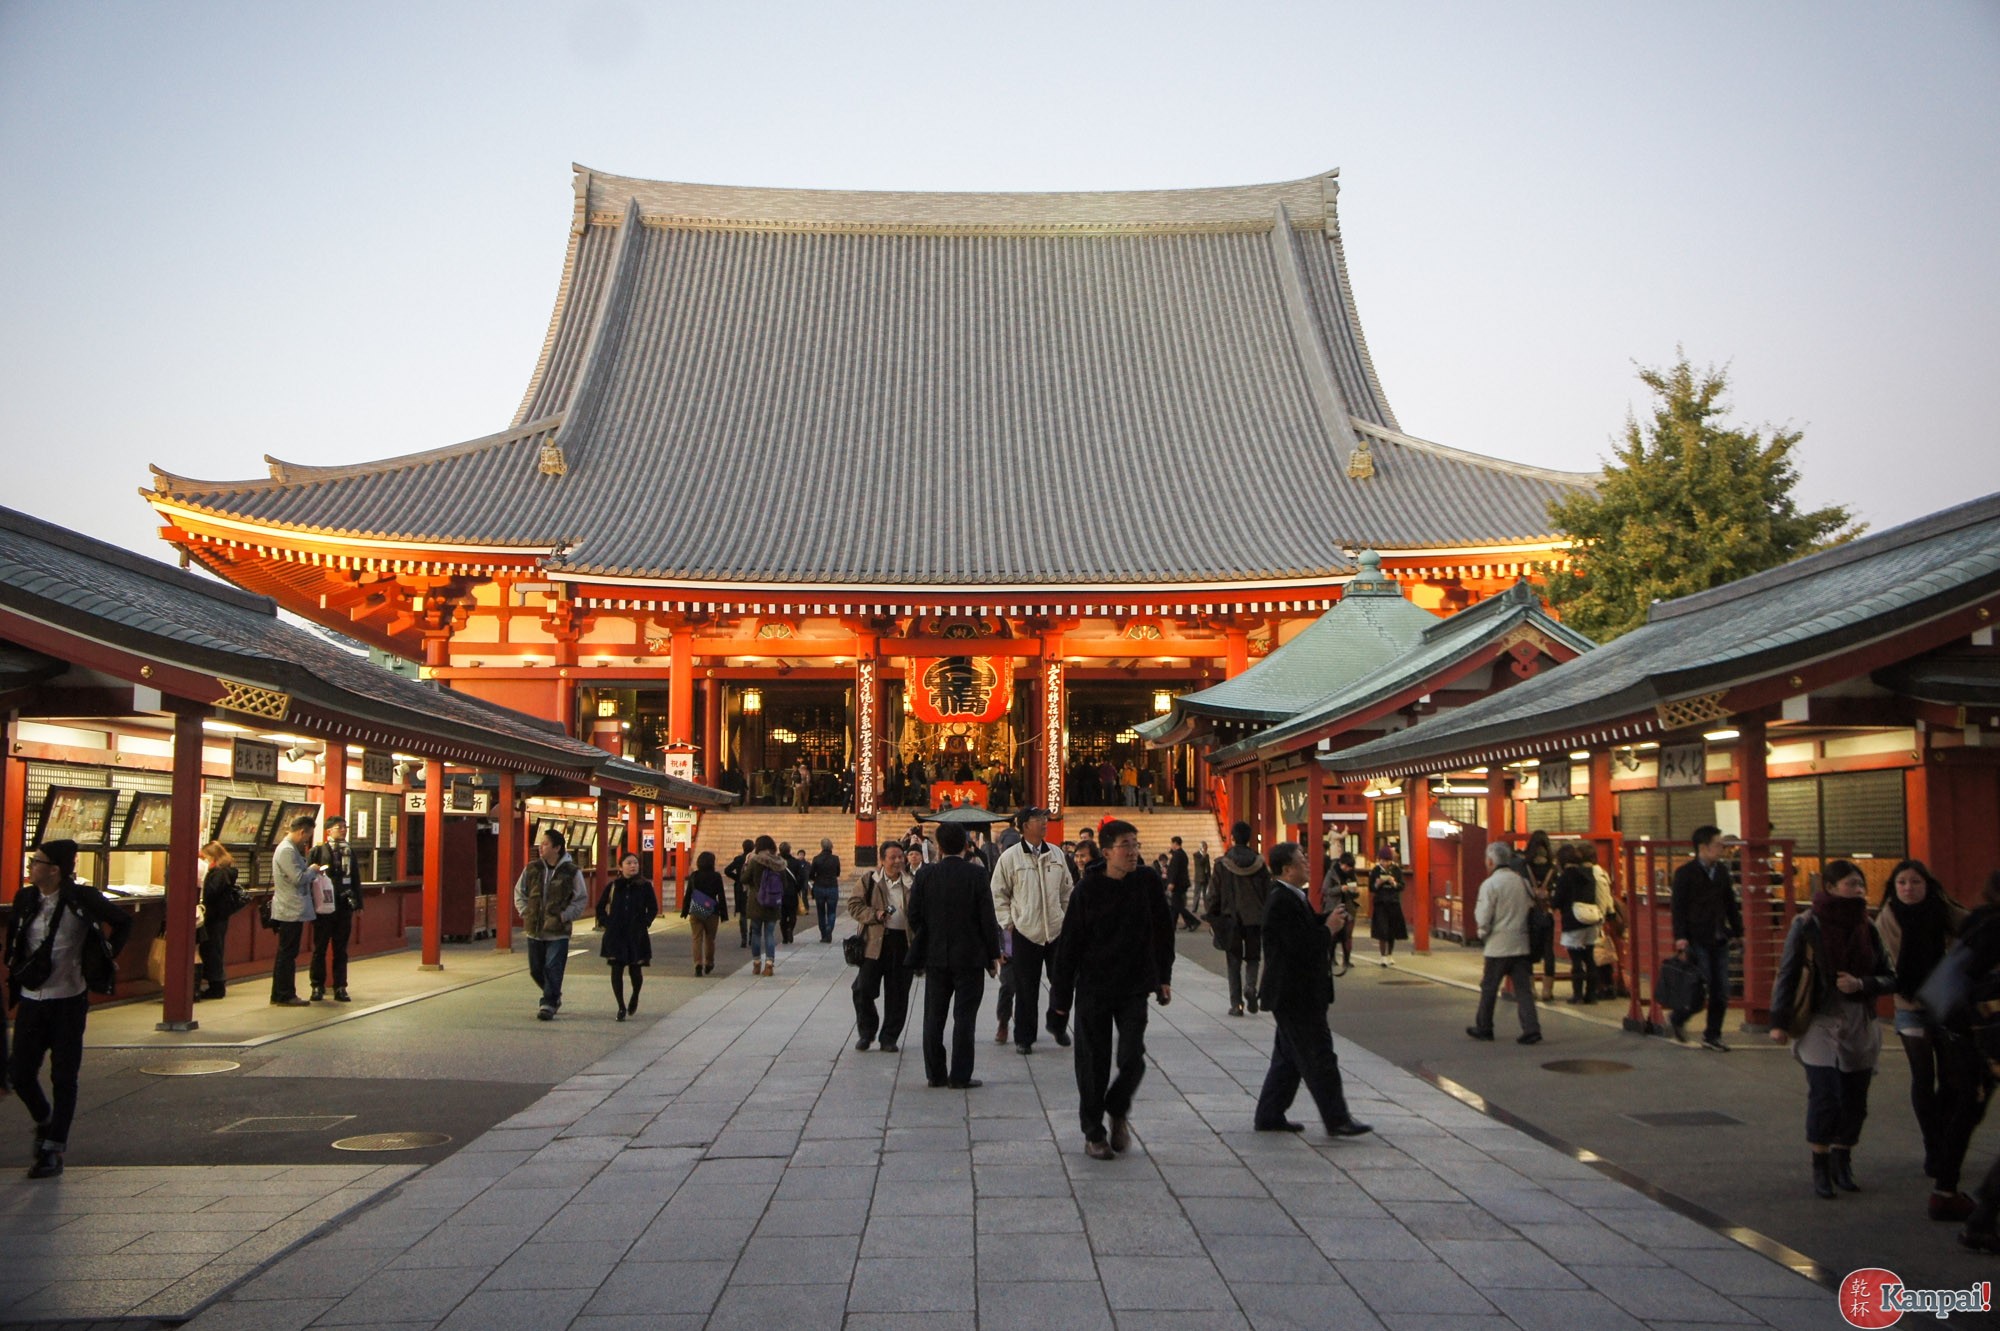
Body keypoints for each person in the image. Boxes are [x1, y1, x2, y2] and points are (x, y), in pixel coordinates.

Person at [1770, 859, 1897, 1199]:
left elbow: (1890, 975)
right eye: (1849, 884)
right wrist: (1779, 1021)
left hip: (1859, 1020)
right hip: (1819, 1020)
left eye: (1860, 884)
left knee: (1856, 1098)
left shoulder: (1867, 927)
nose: (1857, 890)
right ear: (1829, 887)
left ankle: (1844, 1158)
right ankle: (1820, 1164)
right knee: (1826, 1094)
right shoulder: (1807, 923)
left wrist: (1863, 983)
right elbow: (1788, 972)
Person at [6, 840, 132, 1178]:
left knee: (64, 1076)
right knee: (19, 1074)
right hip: (33, 1000)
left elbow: (123, 922)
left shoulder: (82, 898)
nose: (31, 867)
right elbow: (15, 943)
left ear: (55, 870)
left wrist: (107, 956)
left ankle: (53, 1148)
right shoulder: (26, 899)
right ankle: (44, 1120)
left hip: (69, 999)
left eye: (37, 862)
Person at [1049, 819, 1174, 1160]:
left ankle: (1117, 1108)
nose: (1133, 852)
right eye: (1125, 845)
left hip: (1134, 985)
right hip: (1094, 987)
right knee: (1093, 1063)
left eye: (1135, 844)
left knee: (1133, 1058)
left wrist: (1164, 976)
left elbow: (1163, 931)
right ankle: (1094, 1132)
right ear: (1106, 852)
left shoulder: (1147, 881)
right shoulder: (1088, 890)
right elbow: (1069, 947)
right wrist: (1059, 1002)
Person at [1875, 858, 1981, 1220]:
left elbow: (1973, 931)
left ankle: (1943, 1137)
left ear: (1927, 884)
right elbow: (1882, 960)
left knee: (1952, 1078)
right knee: (1922, 1075)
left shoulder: (1942, 909)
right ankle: (1934, 1147)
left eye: (1915, 882)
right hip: (1908, 1003)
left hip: (1945, 1001)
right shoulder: (1886, 916)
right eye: (1902, 882)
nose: (1909, 888)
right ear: (1895, 887)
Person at [1253, 842, 1372, 1138]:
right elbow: (1300, 946)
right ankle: (1337, 1118)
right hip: (1296, 994)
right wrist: (1328, 929)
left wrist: (1326, 919)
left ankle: (1269, 1114)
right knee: (1319, 1056)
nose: (1307, 863)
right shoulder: (1281, 900)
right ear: (1286, 869)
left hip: (1294, 993)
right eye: (1302, 859)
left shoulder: (1293, 896)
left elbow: (1303, 930)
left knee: (1288, 1059)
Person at [907, 821, 1003, 1088]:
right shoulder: (977, 875)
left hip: (936, 956)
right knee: (964, 1017)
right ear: (965, 845)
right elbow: (987, 918)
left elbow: (913, 915)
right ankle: (960, 1075)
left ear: (938, 846)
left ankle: (935, 1074)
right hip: (970, 957)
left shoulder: (925, 875)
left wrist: (930, 935)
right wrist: (993, 955)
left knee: (933, 1017)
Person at [991, 808, 1074, 1055]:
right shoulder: (1010, 858)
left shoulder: (1057, 854)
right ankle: (1024, 1037)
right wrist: (1008, 923)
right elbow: (998, 894)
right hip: (1025, 931)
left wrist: (1067, 919)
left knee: (1062, 983)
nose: (1044, 823)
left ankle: (1057, 1025)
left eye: (1045, 819)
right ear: (1025, 825)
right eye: (1039, 819)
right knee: (1026, 988)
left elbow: (1067, 891)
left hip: (1056, 931)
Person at [1668, 825, 1744, 1050]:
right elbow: (1677, 908)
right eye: (1718, 844)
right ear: (1703, 847)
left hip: (1719, 938)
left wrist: (1739, 932)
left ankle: (1712, 1035)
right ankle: (1679, 1017)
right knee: (1700, 986)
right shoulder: (1685, 873)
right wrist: (1680, 936)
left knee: (1721, 990)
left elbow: (1730, 904)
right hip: (1696, 939)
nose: (1721, 849)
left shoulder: (1721, 872)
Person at [1467, 841, 1542, 1045]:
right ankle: (1531, 1028)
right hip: (1521, 942)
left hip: (1498, 944)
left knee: (1489, 986)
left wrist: (1482, 933)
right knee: (1523, 989)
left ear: (1490, 861)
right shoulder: (1522, 882)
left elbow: (1483, 916)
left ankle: (1484, 1027)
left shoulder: (1490, 884)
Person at [849, 841, 916, 1051]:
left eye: (900, 857)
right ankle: (867, 1031)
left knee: (898, 993)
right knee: (862, 989)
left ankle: (889, 1037)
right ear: (882, 860)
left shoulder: (913, 882)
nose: (898, 861)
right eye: (892, 857)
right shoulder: (870, 880)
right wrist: (874, 915)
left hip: (903, 943)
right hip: (875, 942)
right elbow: (854, 905)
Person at [514, 827, 586, 1020]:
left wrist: (565, 916)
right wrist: (525, 912)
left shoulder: (572, 872)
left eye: (545, 844)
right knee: (536, 969)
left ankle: (548, 1003)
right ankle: (554, 995)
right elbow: (520, 893)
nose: (541, 847)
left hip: (558, 930)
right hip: (534, 929)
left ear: (557, 848)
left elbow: (580, 898)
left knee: (553, 966)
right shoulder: (532, 869)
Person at [1209, 821, 1270, 1016]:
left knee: (1233, 961)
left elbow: (1214, 894)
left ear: (1233, 838)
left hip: (1231, 918)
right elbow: (1268, 892)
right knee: (1253, 957)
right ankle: (1251, 987)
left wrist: (1213, 916)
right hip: (1255, 918)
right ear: (1250, 838)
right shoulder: (1259, 864)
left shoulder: (1222, 864)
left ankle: (1236, 1005)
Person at [597, 852, 657, 1020]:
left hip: (636, 934)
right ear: (620, 866)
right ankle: (621, 1006)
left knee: (635, 969)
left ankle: (635, 995)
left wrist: (645, 922)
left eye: (635, 863)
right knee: (616, 969)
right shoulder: (614, 886)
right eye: (629, 863)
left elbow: (652, 907)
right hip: (616, 934)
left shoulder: (645, 886)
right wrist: (606, 922)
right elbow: (600, 906)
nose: (633, 866)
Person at [307, 815, 360, 1003]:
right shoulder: (318, 851)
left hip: (343, 904)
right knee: (319, 948)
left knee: (341, 949)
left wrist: (358, 901)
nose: (344, 830)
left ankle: (340, 986)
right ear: (329, 830)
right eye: (340, 827)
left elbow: (355, 877)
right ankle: (317, 985)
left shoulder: (349, 851)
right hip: (323, 905)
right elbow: (309, 877)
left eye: (345, 827)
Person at [269, 814, 318, 1006]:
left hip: (292, 907)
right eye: (307, 836)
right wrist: (313, 870)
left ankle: (281, 993)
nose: (307, 840)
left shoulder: (289, 849)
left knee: (287, 953)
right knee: (287, 954)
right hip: (289, 909)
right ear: (301, 831)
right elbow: (298, 878)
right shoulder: (287, 851)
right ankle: (284, 993)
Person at [1551, 843, 1603, 1005]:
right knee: (1589, 958)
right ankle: (1592, 995)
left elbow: (1557, 901)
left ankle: (1578, 995)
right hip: (1590, 920)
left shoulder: (1566, 877)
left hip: (1573, 921)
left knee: (1576, 961)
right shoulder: (1588, 874)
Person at [196, 841, 243, 1000]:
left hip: (214, 916)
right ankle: (216, 984)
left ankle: (216, 986)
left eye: (207, 857)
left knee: (212, 950)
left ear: (213, 857)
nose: (205, 861)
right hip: (220, 916)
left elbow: (211, 892)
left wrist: (205, 877)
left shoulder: (219, 873)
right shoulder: (227, 871)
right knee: (215, 949)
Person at [740, 836, 788, 976]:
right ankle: (769, 964)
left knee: (756, 932)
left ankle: (756, 963)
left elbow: (744, 879)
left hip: (757, 901)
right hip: (773, 902)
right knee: (769, 933)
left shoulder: (755, 861)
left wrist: (745, 868)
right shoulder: (779, 863)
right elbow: (784, 884)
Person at [680, 849, 727, 975]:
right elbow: (721, 895)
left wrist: (684, 910)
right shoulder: (716, 876)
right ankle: (709, 962)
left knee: (696, 938)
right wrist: (724, 914)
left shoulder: (694, 875)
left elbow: (689, 893)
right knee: (710, 938)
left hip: (696, 909)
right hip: (712, 911)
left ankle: (698, 963)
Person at [1367, 846, 1408, 964]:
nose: (1384, 863)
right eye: (1382, 860)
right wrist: (1377, 883)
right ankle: (1383, 956)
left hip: (1393, 903)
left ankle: (1390, 954)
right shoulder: (1375, 870)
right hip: (1380, 903)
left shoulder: (1396, 870)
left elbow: (1402, 886)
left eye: (1387, 861)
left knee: (1392, 931)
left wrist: (1394, 883)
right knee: (1382, 930)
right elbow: (1371, 888)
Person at [1323, 852, 1360, 975]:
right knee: (1333, 935)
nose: (1347, 869)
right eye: (1346, 866)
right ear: (1340, 863)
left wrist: (1354, 891)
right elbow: (1326, 890)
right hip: (1334, 906)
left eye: (1350, 867)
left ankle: (1347, 959)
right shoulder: (1331, 873)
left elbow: (1356, 893)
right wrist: (1340, 889)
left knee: (1348, 935)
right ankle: (1331, 958)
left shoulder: (1352, 875)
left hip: (1349, 907)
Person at [809, 838, 843, 943]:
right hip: (832, 885)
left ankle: (823, 933)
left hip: (819, 886)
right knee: (832, 912)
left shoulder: (816, 859)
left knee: (821, 912)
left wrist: (817, 878)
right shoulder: (835, 859)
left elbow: (811, 874)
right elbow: (838, 873)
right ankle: (829, 929)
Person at [724, 838, 754, 949]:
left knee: (743, 914)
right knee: (754, 913)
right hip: (752, 888)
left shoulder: (738, 859)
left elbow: (727, 870)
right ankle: (752, 937)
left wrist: (737, 878)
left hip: (740, 888)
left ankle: (743, 938)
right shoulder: (755, 860)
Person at [777, 841, 805, 946]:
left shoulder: (776, 862)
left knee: (782, 915)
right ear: (789, 850)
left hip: (779, 893)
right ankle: (790, 929)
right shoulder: (796, 862)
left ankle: (784, 936)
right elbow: (801, 878)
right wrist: (797, 889)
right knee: (792, 914)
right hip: (792, 892)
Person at [1167, 836, 1198, 930]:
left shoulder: (1178, 855)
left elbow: (1175, 870)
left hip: (1178, 884)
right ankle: (1173, 925)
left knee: (1177, 906)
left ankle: (1193, 921)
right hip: (1181, 883)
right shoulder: (1181, 854)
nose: (1171, 845)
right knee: (1175, 906)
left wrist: (1171, 882)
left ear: (1175, 843)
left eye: (1172, 843)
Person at [1192, 840, 1213, 917]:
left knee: (1205, 894)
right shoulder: (1196, 855)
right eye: (1204, 847)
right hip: (1199, 877)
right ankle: (1194, 908)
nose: (1206, 848)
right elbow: (1200, 863)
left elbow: (1208, 866)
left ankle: (1207, 909)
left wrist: (1209, 877)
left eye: (1206, 847)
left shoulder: (1207, 855)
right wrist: (1203, 855)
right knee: (1196, 893)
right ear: (1201, 847)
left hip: (1206, 877)